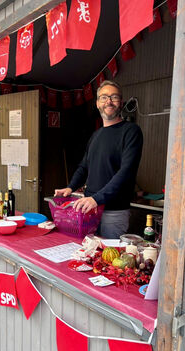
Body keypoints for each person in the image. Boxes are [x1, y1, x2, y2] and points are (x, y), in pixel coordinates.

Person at [54, 80, 143, 238]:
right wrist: (71, 187)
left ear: (120, 102)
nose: (108, 101)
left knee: (109, 259)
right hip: (90, 211)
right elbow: (84, 167)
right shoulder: (96, 135)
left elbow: (126, 172)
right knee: (87, 256)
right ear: (97, 103)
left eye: (114, 97)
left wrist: (97, 198)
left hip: (113, 214)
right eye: (104, 97)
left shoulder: (131, 132)